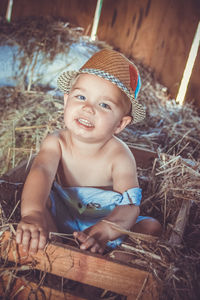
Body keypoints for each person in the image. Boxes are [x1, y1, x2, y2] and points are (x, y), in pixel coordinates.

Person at [16, 49, 161, 255]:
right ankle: (56, 253)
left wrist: (106, 230)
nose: (88, 108)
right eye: (81, 96)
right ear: (66, 101)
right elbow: (41, 171)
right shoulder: (56, 141)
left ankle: (106, 268)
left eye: (104, 105)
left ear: (120, 123)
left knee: (150, 227)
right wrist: (32, 213)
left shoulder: (119, 155)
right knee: (40, 197)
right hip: (62, 217)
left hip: (105, 223)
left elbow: (130, 205)